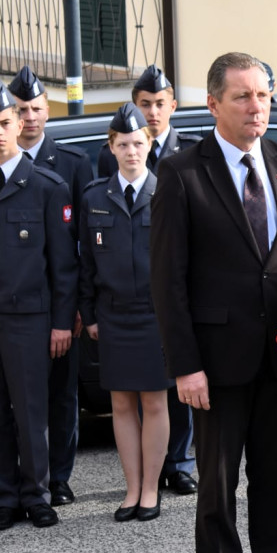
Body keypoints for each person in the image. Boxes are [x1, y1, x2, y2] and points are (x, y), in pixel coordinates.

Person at [150, 52, 277, 553]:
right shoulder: (181, 173)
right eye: (244, 97)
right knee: (218, 483)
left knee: (276, 479)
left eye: (265, 95)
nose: (258, 107)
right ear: (214, 103)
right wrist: (185, 366)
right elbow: (167, 280)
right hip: (216, 362)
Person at [0, 82, 77, 531]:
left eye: (5, 123)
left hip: (28, 317)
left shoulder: (46, 186)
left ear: (19, 124)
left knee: (32, 411)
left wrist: (59, 324)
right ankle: (5, 498)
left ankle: (37, 495)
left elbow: (63, 266)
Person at [97, 65, 201, 497]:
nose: (153, 112)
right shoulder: (104, 177)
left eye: (160, 104)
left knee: (174, 392)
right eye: (146, 104)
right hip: (118, 308)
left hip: (164, 304)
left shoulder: (186, 163)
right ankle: (142, 480)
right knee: (131, 399)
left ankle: (176, 466)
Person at [79, 103, 170, 522]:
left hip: (154, 315)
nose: (131, 151)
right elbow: (85, 265)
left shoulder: (167, 192)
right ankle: (130, 489)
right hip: (113, 314)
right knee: (119, 403)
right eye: (122, 144)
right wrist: (89, 313)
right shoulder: (94, 198)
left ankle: (150, 490)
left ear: (149, 145)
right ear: (111, 148)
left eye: (138, 143)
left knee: (153, 402)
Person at [6, 65, 92, 507]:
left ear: (47, 111)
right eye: (22, 109)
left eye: (37, 108)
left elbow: (83, 245)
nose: (31, 117)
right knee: (14, 398)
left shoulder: (74, 165)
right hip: (13, 304)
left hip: (59, 303)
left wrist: (77, 305)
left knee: (61, 395)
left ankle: (58, 477)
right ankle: (24, 479)